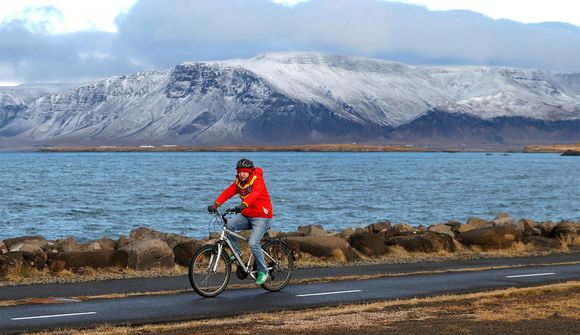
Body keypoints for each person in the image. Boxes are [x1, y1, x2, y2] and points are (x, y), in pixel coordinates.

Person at [207, 158, 273, 285]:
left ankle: (263, 271)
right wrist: (216, 204)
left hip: (262, 217)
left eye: (244, 172)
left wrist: (244, 204)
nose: (242, 174)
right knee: (229, 225)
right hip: (247, 215)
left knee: (253, 243)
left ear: (250, 172)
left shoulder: (257, 180)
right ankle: (237, 252)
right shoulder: (239, 182)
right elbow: (228, 192)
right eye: (240, 172)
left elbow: (255, 194)